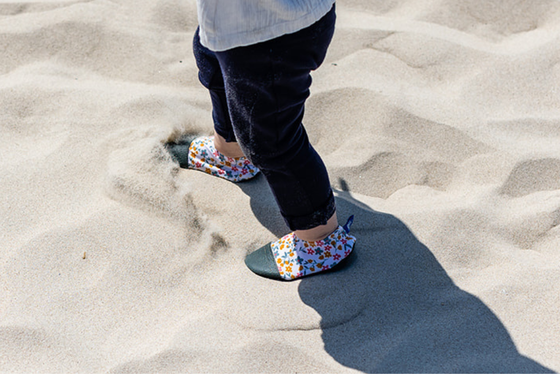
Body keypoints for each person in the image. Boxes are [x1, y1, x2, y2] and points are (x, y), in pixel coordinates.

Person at [168, 0, 356, 280]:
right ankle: (231, 152)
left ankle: (320, 237)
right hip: (233, 22)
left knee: (274, 140)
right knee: (215, 66)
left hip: (272, 31)